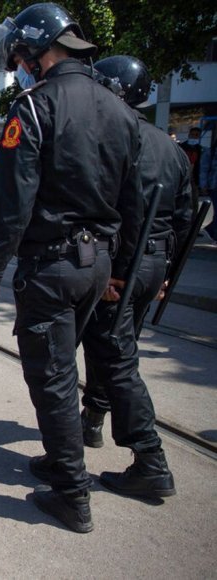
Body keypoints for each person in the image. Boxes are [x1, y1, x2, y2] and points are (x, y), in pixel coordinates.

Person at [0, 3, 144, 533]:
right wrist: (121, 268)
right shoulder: (118, 109)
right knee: (63, 368)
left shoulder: (34, 107)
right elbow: (136, 198)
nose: (19, 65)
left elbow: (11, 203)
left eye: (21, 56)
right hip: (99, 264)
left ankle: (72, 494)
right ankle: (59, 458)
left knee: (50, 377)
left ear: (35, 52)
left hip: (51, 266)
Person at [75, 56, 190, 499]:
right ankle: (92, 419)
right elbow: (184, 220)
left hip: (123, 265)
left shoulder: (116, 138)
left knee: (116, 357)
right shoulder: (172, 148)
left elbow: (114, 211)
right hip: (153, 264)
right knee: (115, 346)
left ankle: (150, 459)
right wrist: (165, 276)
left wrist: (110, 272)